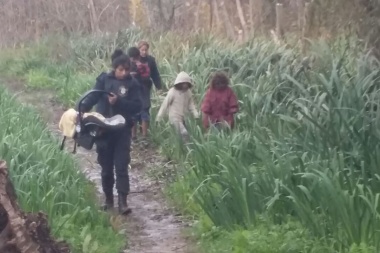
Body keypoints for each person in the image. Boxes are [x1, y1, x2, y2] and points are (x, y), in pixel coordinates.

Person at [79, 49, 142, 215]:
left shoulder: (133, 84)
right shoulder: (103, 80)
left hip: (122, 131)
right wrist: (81, 108)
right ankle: (108, 199)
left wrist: (119, 102)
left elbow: (137, 106)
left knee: (121, 166)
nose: (123, 73)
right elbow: (93, 97)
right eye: (120, 69)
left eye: (126, 70)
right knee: (106, 167)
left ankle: (123, 202)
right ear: (114, 68)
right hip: (103, 130)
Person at [130, 40, 162, 143]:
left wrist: (159, 86)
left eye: (146, 50)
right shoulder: (132, 60)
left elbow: (155, 74)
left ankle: (144, 136)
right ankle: (133, 136)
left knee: (145, 110)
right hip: (133, 89)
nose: (144, 52)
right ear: (138, 50)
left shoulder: (150, 60)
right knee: (133, 112)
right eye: (142, 50)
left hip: (145, 88)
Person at [156, 71, 198, 142]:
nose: (185, 85)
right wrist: (159, 118)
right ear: (179, 83)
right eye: (183, 83)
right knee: (184, 133)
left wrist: (195, 114)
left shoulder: (188, 92)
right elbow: (165, 105)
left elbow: (191, 104)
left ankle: (184, 150)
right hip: (175, 117)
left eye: (186, 83)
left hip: (184, 117)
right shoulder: (172, 92)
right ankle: (186, 149)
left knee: (182, 136)